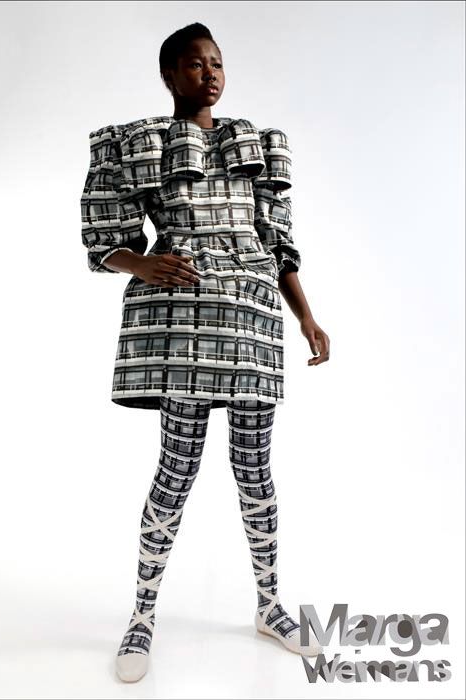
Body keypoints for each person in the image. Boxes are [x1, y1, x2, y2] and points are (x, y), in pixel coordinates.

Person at [80, 22, 330, 683]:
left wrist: (306, 316)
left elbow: (276, 243)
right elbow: (103, 237)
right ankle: (141, 617)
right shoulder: (140, 144)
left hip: (253, 323)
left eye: (216, 63)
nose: (210, 73)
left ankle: (270, 606)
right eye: (194, 64)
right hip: (184, 327)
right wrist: (141, 263)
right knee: (176, 469)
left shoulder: (256, 146)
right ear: (169, 75)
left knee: (255, 471)